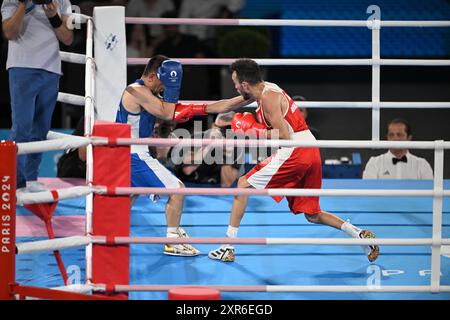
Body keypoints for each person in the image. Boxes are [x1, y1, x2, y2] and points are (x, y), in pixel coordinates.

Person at [204, 58, 379, 263]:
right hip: (310, 149)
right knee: (311, 214)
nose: (234, 87)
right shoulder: (264, 89)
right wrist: (199, 109)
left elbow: (284, 136)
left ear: (244, 84)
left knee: (242, 185)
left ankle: (227, 247)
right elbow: (228, 104)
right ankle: (358, 234)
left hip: (295, 149)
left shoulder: (268, 98)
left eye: (235, 83)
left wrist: (251, 131)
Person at [116, 54, 248, 256]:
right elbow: (167, 113)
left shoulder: (154, 98)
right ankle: (171, 241)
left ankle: (109, 234)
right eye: (164, 82)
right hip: (133, 154)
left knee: (127, 198)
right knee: (177, 190)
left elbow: (214, 107)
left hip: (134, 153)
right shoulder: (134, 91)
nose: (164, 89)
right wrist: (173, 89)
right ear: (152, 76)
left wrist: (248, 97)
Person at [2, 0, 74, 191]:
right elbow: (10, 32)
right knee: (21, 128)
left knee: (41, 129)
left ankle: (31, 179)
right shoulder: (12, 0)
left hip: (51, 69)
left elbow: (68, 38)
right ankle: (15, 183)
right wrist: (24, 5)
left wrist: (53, 16)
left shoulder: (62, 1)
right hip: (22, 67)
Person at [363, 118, 433, 179]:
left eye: (399, 135)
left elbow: (429, 192)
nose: (395, 138)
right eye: (391, 135)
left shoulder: (422, 164)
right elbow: (367, 191)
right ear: (387, 137)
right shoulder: (374, 163)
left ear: (409, 138)